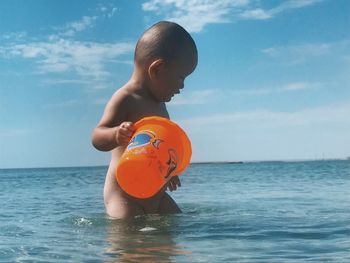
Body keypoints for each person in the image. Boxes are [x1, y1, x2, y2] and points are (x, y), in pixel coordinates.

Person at [92, 21, 198, 219]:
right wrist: (116, 134)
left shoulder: (161, 106)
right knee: (130, 241)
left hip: (156, 195)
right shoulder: (126, 98)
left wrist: (170, 171)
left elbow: (160, 147)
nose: (182, 86)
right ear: (157, 69)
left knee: (179, 225)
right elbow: (97, 137)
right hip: (124, 197)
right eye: (181, 77)